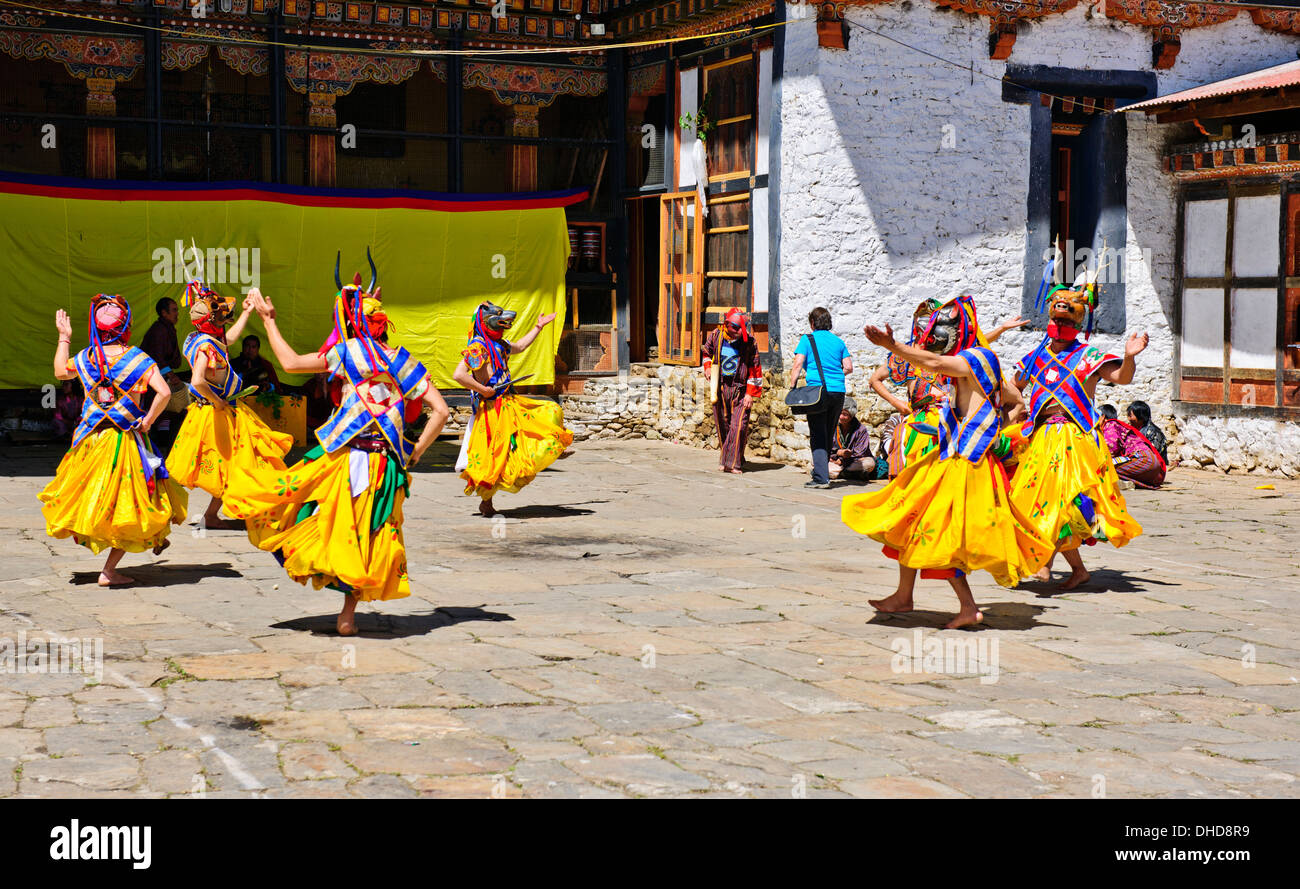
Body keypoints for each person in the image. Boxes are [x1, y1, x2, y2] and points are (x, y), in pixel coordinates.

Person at [223, 256, 449, 636]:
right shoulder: (403, 362)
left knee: (302, 504)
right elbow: (441, 411)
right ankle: (348, 613)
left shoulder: (345, 354)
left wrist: (270, 320)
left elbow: (291, 363)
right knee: (369, 531)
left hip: (343, 457)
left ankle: (310, 560)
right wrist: (414, 451)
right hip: (385, 465)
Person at [842, 296, 1049, 628]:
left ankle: (967, 607)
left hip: (965, 464)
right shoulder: (983, 358)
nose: (937, 337)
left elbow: (935, 365)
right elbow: (1016, 400)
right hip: (956, 457)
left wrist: (892, 344)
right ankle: (903, 595)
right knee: (910, 518)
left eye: (943, 329)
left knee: (938, 532)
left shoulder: (975, 358)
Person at [1010, 269, 1147, 589]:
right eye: (1057, 315)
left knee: (1068, 502)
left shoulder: (1088, 357)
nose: (1060, 324)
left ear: (1077, 322)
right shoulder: (1035, 357)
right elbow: (1013, 385)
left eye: (1067, 319)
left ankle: (1052, 565)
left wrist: (1129, 357)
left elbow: (1122, 378)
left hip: (1075, 439)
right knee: (1034, 502)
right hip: (1042, 438)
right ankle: (1054, 565)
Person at [40, 296, 187, 586]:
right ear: (126, 326)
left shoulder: (86, 358)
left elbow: (59, 372)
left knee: (94, 499)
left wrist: (64, 338)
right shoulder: (138, 359)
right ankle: (110, 570)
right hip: (124, 442)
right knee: (135, 504)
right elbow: (165, 393)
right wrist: (147, 421)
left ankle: (149, 538)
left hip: (91, 442)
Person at [165, 256, 293, 531]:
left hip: (222, 411)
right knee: (232, 462)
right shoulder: (205, 347)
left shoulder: (204, 338)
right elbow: (198, 381)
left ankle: (212, 514)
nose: (226, 319)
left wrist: (246, 312)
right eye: (223, 316)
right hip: (216, 413)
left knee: (232, 463)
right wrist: (219, 401)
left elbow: (229, 340)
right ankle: (193, 511)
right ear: (212, 321)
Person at [870, 307, 1029, 479]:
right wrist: (897, 403)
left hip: (958, 432)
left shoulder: (962, 358)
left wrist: (1001, 329)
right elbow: (875, 379)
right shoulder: (908, 355)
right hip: (925, 420)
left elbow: (961, 349)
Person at [453, 301, 573, 517]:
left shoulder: (499, 344)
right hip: (491, 408)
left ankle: (554, 446)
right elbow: (459, 375)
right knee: (493, 455)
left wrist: (538, 327)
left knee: (550, 411)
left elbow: (520, 347)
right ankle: (486, 502)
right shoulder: (477, 347)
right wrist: (483, 389)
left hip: (509, 401)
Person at [788, 307, 852, 488]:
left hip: (817, 393)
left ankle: (821, 478)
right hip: (838, 392)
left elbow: (797, 364)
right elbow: (848, 367)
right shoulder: (839, 342)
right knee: (829, 432)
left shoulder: (807, 340)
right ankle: (822, 472)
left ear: (812, 323)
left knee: (817, 433)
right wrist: (834, 376)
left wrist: (792, 387)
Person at [701, 308, 763, 474]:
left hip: (741, 389)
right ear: (726, 324)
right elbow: (706, 353)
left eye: (741, 328)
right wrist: (707, 367)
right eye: (735, 327)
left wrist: (751, 393)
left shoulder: (750, 342)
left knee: (739, 426)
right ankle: (730, 458)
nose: (738, 331)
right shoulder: (716, 335)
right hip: (720, 387)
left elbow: (755, 368)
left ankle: (733, 464)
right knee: (723, 424)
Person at [139, 296, 188, 452]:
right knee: (155, 409)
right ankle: (152, 444)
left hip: (161, 373)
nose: (177, 314)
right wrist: (170, 375)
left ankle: (163, 442)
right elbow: (156, 356)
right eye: (174, 310)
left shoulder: (167, 328)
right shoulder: (159, 330)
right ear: (164, 313)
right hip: (151, 375)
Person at [1100, 412, 1166, 489]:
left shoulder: (1110, 424)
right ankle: (1127, 483)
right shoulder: (1117, 427)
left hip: (1143, 459)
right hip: (1154, 468)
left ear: (1103, 417)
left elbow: (1111, 448)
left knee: (1103, 468)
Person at [828, 398, 874, 480]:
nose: (841, 417)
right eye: (840, 413)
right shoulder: (833, 426)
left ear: (852, 416)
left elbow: (860, 452)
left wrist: (843, 460)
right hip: (835, 461)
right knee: (815, 461)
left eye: (845, 414)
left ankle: (838, 473)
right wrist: (838, 453)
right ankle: (848, 474)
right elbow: (827, 446)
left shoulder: (860, 429)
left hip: (852, 462)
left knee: (869, 463)